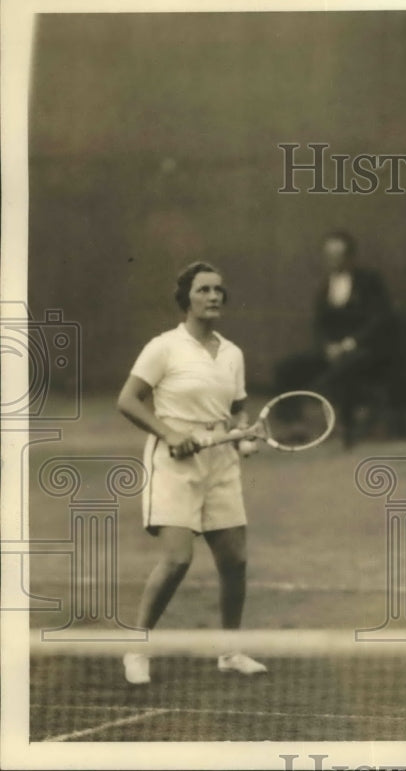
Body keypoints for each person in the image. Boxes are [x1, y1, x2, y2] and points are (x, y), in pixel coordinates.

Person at [117, 261, 267, 685]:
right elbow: (128, 400)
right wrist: (168, 433)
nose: (214, 296)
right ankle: (138, 648)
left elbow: (237, 410)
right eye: (204, 290)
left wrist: (243, 437)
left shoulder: (233, 353)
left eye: (219, 290)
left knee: (235, 560)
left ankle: (230, 651)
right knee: (178, 558)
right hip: (173, 463)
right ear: (187, 298)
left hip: (220, 465)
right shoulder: (164, 347)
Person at [274, 231, 398, 448]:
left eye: (337, 255)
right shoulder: (325, 286)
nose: (332, 260)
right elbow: (320, 324)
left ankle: (346, 429)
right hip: (332, 352)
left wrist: (349, 343)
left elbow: (380, 319)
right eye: (328, 255)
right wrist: (327, 347)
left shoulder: (369, 282)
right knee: (286, 368)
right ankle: (294, 426)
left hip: (365, 353)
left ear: (350, 257)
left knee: (346, 367)